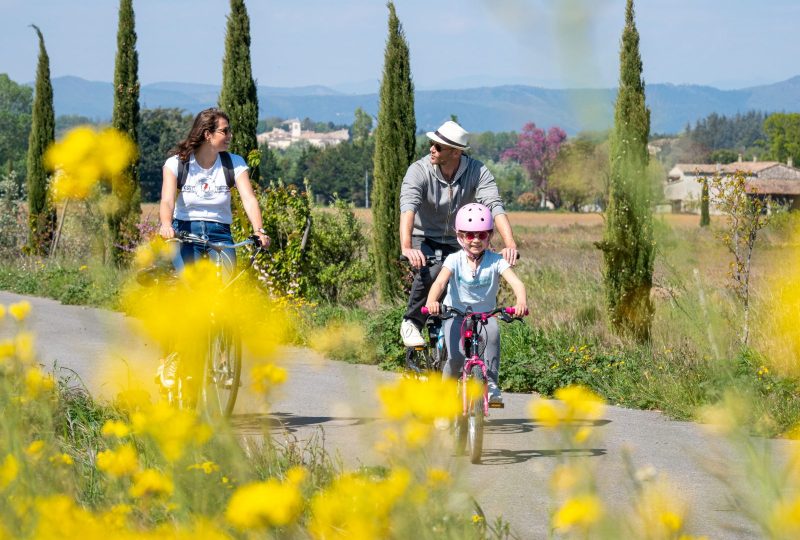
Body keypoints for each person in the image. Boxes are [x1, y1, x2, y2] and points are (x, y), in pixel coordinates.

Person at [399, 120, 518, 348]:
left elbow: (494, 205)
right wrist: (407, 247)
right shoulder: (419, 170)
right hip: (424, 236)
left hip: (459, 238)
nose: (431, 148)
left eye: (438, 146)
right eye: (431, 143)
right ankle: (411, 322)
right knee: (433, 270)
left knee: (471, 275)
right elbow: (408, 208)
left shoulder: (477, 171)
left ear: (455, 152)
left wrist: (510, 244)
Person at [424, 203, 527, 404]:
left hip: (485, 316)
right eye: (470, 235)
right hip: (456, 314)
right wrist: (431, 301)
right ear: (460, 236)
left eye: (482, 235)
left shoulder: (496, 261)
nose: (476, 240)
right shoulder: (454, 259)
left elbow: (517, 283)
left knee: (493, 336)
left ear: (490, 235)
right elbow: (440, 282)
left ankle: (491, 386)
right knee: (456, 359)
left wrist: (521, 301)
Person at [159, 107, 269, 275]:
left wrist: (259, 230)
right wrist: (166, 225)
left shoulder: (235, 163)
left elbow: (249, 199)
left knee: (225, 287)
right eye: (225, 131)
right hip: (185, 231)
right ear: (207, 134)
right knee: (190, 286)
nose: (230, 135)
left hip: (220, 233)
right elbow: (167, 200)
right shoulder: (177, 163)